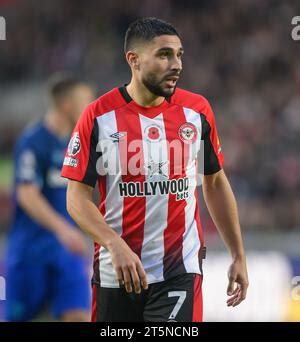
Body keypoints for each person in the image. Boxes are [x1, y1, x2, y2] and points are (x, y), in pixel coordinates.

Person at [62, 17, 249, 322]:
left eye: (179, 55)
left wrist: (238, 255)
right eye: (164, 55)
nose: (176, 64)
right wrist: (113, 243)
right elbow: (77, 197)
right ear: (133, 60)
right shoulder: (98, 116)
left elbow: (214, 183)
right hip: (116, 271)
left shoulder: (196, 111)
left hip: (179, 269)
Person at [5, 75, 94, 321]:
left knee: (79, 315)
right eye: (85, 100)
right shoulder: (33, 141)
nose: (91, 107)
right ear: (66, 104)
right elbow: (26, 194)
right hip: (31, 251)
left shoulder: (79, 145)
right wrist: (64, 230)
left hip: (68, 252)